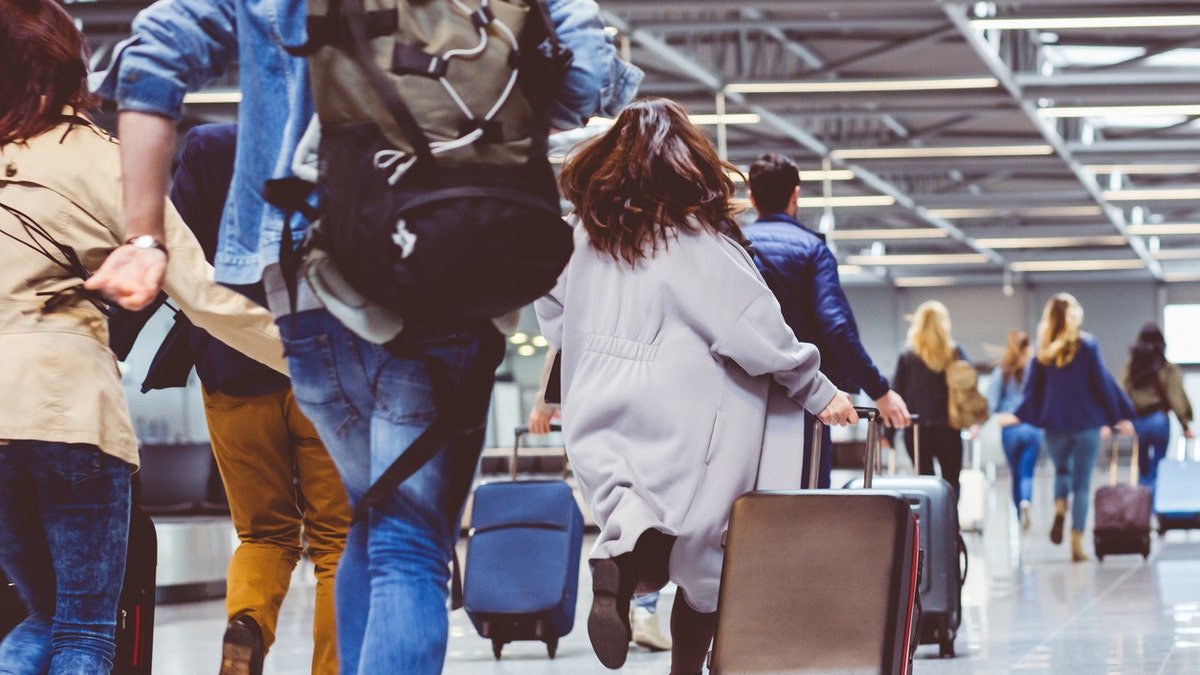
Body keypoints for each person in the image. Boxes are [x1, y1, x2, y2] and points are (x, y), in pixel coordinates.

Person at [91, 0, 641, 671]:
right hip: (452, 267)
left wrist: (145, 232)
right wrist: (471, 138)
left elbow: (156, 53)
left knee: (367, 515)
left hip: (304, 275)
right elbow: (589, 78)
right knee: (409, 544)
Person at [0, 2, 287, 671]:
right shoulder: (107, 161)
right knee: (83, 628)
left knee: (42, 614)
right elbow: (201, 294)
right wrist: (301, 352)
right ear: (71, 63)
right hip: (69, 412)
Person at [535, 98, 858, 674]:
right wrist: (819, 391)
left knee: (631, 513)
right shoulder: (696, 241)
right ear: (689, 162)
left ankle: (618, 565)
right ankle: (687, 666)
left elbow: (553, 310)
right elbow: (755, 327)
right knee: (706, 557)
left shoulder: (577, 236)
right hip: (686, 412)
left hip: (597, 407)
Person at [108, 124, 349, 675]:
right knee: (337, 540)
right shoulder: (339, 138)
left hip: (231, 368)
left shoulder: (211, 146)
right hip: (321, 365)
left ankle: (247, 626)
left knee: (263, 532)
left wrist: (113, 338)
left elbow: (168, 250)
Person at [744, 154, 911, 488]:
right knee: (807, 498)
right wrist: (878, 390)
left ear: (750, 197)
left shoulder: (733, 246)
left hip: (745, 396)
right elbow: (835, 326)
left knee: (748, 501)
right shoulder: (812, 250)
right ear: (795, 195)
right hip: (803, 399)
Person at [528, 348, 671, 652]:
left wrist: (543, 403)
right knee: (654, 503)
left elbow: (559, 335)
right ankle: (644, 607)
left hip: (589, 399)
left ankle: (619, 564)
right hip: (647, 390)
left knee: (619, 497)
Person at [1015, 293, 1134, 562]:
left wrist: (1024, 414)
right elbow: (1103, 383)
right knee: (1082, 486)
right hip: (1086, 424)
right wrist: (1118, 415)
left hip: (1055, 425)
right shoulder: (1087, 345)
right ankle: (1077, 542)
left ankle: (1059, 507)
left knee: (1062, 471)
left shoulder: (1042, 351)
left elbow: (1031, 390)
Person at [889, 301, 970, 497]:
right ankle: (951, 526)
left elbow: (895, 395)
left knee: (924, 483)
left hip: (916, 430)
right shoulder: (955, 353)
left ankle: (929, 525)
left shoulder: (908, 356)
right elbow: (969, 387)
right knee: (951, 482)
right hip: (948, 428)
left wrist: (888, 433)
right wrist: (972, 421)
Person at [1122, 323, 1194, 492]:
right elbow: (1175, 398)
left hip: (1138, 421)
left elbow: (1122, 392)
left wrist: (1120, 419)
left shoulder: (1132, 366)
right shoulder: (1167, 368)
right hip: (1159, 420)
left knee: (1143, 466)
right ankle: (1153, 503)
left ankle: (1141, 504)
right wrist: (1185, 426)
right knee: (1159, 465)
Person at [987, 330, 1043, 531]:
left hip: (1010, 429)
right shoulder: (1036, 372)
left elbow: (991, 405)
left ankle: (1020, 517)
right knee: (1027, 472)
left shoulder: (1001, 372)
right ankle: (1026, 501)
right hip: (1032, 428)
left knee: (1016, 473)